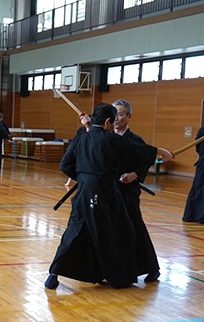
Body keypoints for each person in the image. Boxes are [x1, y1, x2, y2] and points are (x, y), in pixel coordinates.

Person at [45, 103, 173, 290]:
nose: (114, 125)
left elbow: (65, 165)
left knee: (74, 232)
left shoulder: (82, 138)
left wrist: (84, 177)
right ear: (107, 122)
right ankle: (119, 278)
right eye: (112, 121)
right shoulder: (110, 139)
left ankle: (53, 275)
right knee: (119, 232)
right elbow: (139, 151)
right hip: (104, 194)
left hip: (83, 193)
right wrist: (162, 152)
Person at [112, 99, 160, 282]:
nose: (117, 118)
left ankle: (151, 267)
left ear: (129, 117)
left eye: (121, 114)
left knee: (134, 227)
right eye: (114, 114)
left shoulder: (135, 140)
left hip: (127, 190)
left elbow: (145, 160)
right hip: (109, 189)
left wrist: (135, 174)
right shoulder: (107, 137)